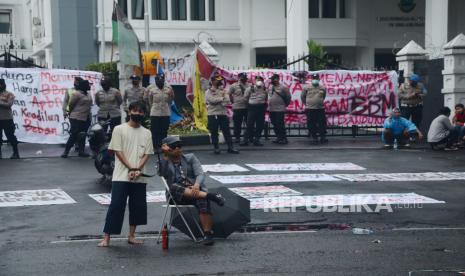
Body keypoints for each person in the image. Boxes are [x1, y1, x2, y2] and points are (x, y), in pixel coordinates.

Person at [98, 100, 154, 247]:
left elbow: (147, 154)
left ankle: (132, 235)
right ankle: (106, 238)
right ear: (129, 112)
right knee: (116, 206)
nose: (138, 114)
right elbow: (118, 151)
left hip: (139, 176)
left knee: (137, 206)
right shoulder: (119, 129)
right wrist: (130, 168)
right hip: (121, 175)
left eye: (141, 111)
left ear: (144, 114)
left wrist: (137, 170)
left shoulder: (147, 133)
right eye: (135, 111)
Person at [158, 136, 225, 246]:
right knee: (173, 187)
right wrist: (165, 155)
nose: (179, 149)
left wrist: (196, 185)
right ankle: (212, 196)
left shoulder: (190, 158)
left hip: (194, 191)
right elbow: (162, 173)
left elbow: (200, 173)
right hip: (176, 196)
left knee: (202, 200)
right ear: (168, 148)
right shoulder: (163, 162)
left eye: (180, 146)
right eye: (175, 146)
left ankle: (208, 235)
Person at [206, 75, 239, 154]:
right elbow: (212, 101)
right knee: (214, 132)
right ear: (213, 81)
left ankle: (230, 147)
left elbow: (227, 101)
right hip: (213, 114)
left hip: (223, 113)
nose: (219, 81)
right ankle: (216, 147)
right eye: (217, 80)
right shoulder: (209, 91)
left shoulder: (223, 90)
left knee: (226, 131)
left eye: (220, 80)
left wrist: (221, 99)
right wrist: (221, 98)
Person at [61, 80, 93, 158]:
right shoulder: (76, 94)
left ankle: (81, 151)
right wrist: (69, 112)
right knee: (74, 135)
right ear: (84, 86)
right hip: (76, 118)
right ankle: (66, 152)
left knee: (83, 134)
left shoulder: (88, 94)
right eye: (88, 85)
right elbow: (71, 104)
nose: (89, 86)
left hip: (86, 117)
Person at [146, 73, 174, 150]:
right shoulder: (151, 89)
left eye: (161, 80)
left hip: (165, 112)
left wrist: (170, 94)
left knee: (164, 130)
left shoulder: (169, 88)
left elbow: (171, 101)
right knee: (154, 131)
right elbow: (149, 100)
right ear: (155, 80)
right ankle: (155, 147)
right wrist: (151, 108)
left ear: (164, 80)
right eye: (158, 80)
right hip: (155, 112)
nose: (160, 81)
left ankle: (163, 146)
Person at [301, 73, 327, 144]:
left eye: (316, 78)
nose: (315, 80)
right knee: (311, 123)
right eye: (314, 78)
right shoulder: (306, 87)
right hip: (310, 109)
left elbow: (323, 96)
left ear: (319, 79)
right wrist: (307, 103)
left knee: (322, 123)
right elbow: (303, 97)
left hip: (320, 108)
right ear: (312, 79)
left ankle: (322, 137)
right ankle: (314, 137)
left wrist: (319, 101)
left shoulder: (322, 87)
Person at [241, 75, 267, 146]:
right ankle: (245, 140)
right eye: (257, 80)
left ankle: (257, 139)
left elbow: (267, 98)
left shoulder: (265, 89)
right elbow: (245, 98)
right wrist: (249, 105)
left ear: (262, 81)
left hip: (261, 108)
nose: (258, 81)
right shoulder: (250, 88)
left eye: (260, 80)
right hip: (252, 108)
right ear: (254, 81)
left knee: (260, 125)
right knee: (249, 124)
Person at [63, 77, 86, 152]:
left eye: (76, 82)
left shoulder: (85, 92)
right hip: (72, 113)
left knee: (81, 131)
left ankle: (80, 147)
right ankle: (75, 145)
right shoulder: (70, 90)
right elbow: (66, 101)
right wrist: (64, 111)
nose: (75, 83)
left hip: (83, 114)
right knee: (74, 131)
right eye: (74, 82)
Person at [268, 73, 291, 145]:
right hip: (272, 109)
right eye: (271, 79)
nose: (271, 80)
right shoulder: (271, 87)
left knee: (280, 124)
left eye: (273, 79)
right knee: (274, 124)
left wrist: (284, 105)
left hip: (280, 109)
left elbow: (288, 97)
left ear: (277, 79)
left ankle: (283, 138)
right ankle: (278, 137)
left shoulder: (283, 87)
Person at [0, 78, 20, 159]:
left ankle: (16, 153)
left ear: (3, 85)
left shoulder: (9, 94)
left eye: (0, 84)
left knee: (10, 136)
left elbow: (9, 104)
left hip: (7, 119)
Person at [228, 72, 249, 143]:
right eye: (243, 77)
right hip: (237, 107)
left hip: (247, 107)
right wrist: (233, 101)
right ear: (239, 78)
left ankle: (247, 137)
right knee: (237, 123)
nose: (244, 78)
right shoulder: (233, 85)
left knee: (248, 123)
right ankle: (237, 137)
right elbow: (229, 94)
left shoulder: (249, 85)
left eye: (245, 77)